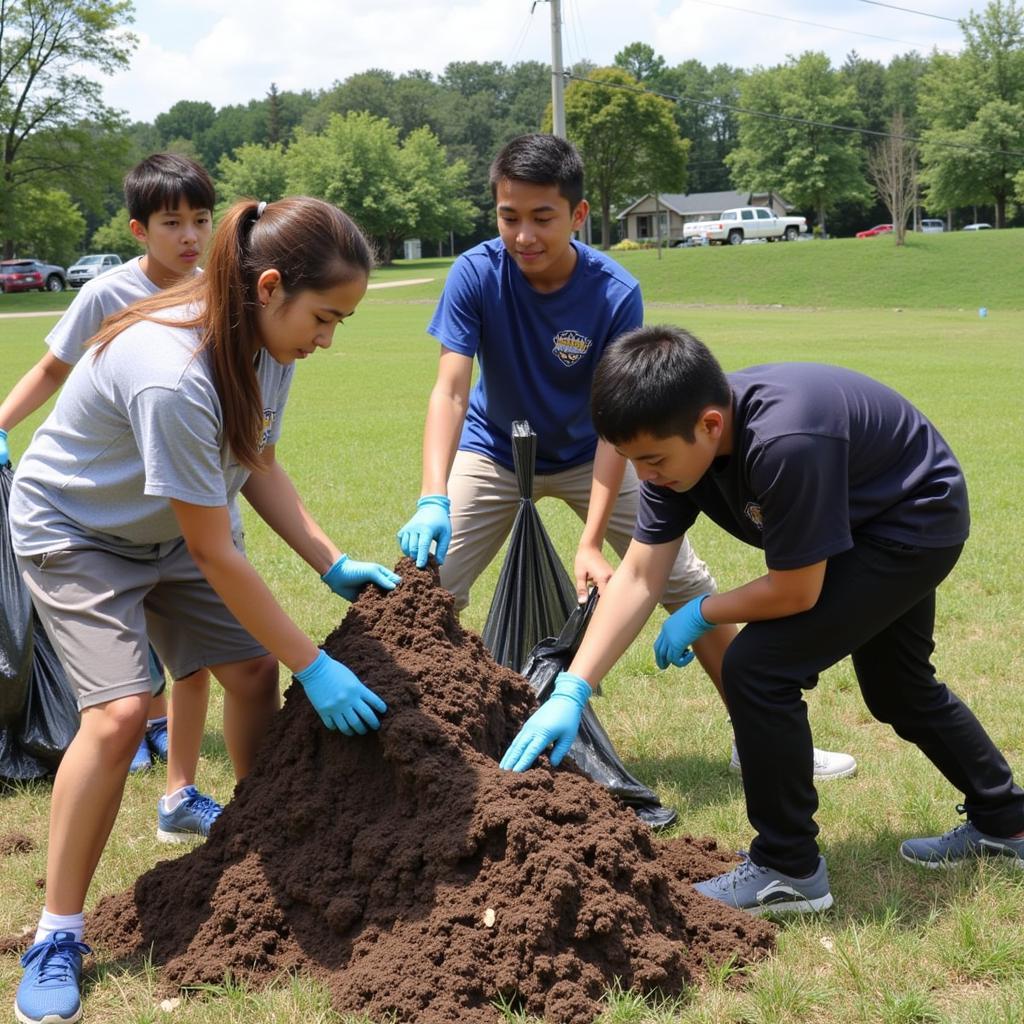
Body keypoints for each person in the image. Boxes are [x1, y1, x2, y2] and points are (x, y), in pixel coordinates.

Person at [9, 196, 399, 1024]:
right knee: (117, 718)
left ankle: (268, 851)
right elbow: (217, 552)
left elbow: (254, 457)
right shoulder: (172, 371)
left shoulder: (268, 343)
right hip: (78, 530)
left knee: (250, 669)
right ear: (268, 286)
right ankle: (56, 933)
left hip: (168, 525)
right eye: (326, 317)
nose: (328, 339)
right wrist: (316, 664)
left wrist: (330, 562)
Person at [501, 324, 1024, 914]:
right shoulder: (675, 450)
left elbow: (797, 591)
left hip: (912, 520)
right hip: (861, 516)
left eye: (651, 460)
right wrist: (573, 688)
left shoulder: (785, 441)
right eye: (629, 461)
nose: (643, 476)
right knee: (898, 689)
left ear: (710, 425)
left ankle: (787, 867)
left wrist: (701, 610)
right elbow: (642, 576)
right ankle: (1008, 821)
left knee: (756, 667)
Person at [396, 133, 854, 778]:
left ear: (578, 216)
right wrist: (433, 494)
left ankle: (764, 738)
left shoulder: (613, 291)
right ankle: (396, 743)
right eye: (508, 217)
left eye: (541, 217)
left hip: (600, 452)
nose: (523, 235)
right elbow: (450, 387)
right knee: (422, 584)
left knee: (684, 583)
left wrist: (590, 540)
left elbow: (619, 422)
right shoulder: (476, 272)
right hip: (495, 451)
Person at [0, 153, 224, 842]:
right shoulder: (108, 294)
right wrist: (2, 423)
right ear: (138, 229)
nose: (189, 236)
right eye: (171, 222)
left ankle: (179, 791)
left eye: (200, 220)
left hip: (178, 489)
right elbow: (51, 367)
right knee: (128, 669)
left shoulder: (216, 293)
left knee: (197, 659)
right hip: (100, 500)